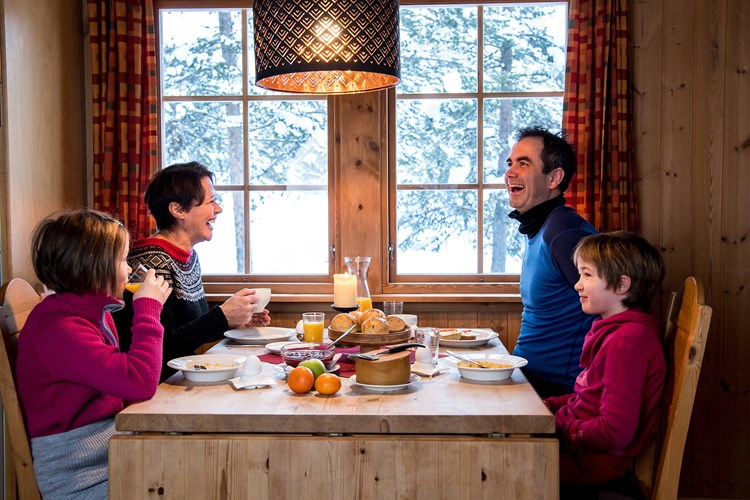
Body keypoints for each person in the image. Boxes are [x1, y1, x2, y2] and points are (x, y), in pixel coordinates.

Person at [17, 209, 172, 499]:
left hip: (106, 451)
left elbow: (125, 385)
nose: (129, 270)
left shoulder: (91, 311)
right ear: (94, 264)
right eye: (123, 260)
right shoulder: (60, 327)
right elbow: (139, 381)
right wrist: (149, 309)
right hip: (80, 475)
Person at [114, 161, 271, 381]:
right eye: (211, 201)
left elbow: (189, 330)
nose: (218, 209)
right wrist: (221, 316)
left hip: (180, 377)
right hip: (158, 386)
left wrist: (233, 320)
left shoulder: (187, 256)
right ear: (178, 210)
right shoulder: (151, 262)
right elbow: (163, 346)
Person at [545, 231, 666, 487]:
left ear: (622, 285)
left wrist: (559, 432)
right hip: (579, 450)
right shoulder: (613, 331)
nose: (577, 284)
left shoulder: (628, 341)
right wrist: (546, 406)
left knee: (499, 463)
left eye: (587, 275)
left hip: (591, 462)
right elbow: (589, 395)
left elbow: (615, 431)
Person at [505, 126, 598, 397]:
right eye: (510, 163)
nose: (510, 172)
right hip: (528, 377)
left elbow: (617, 310)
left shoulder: (564, 232)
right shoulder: (541, 227)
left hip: (555, 389)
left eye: (524, 163)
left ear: (554, 177)